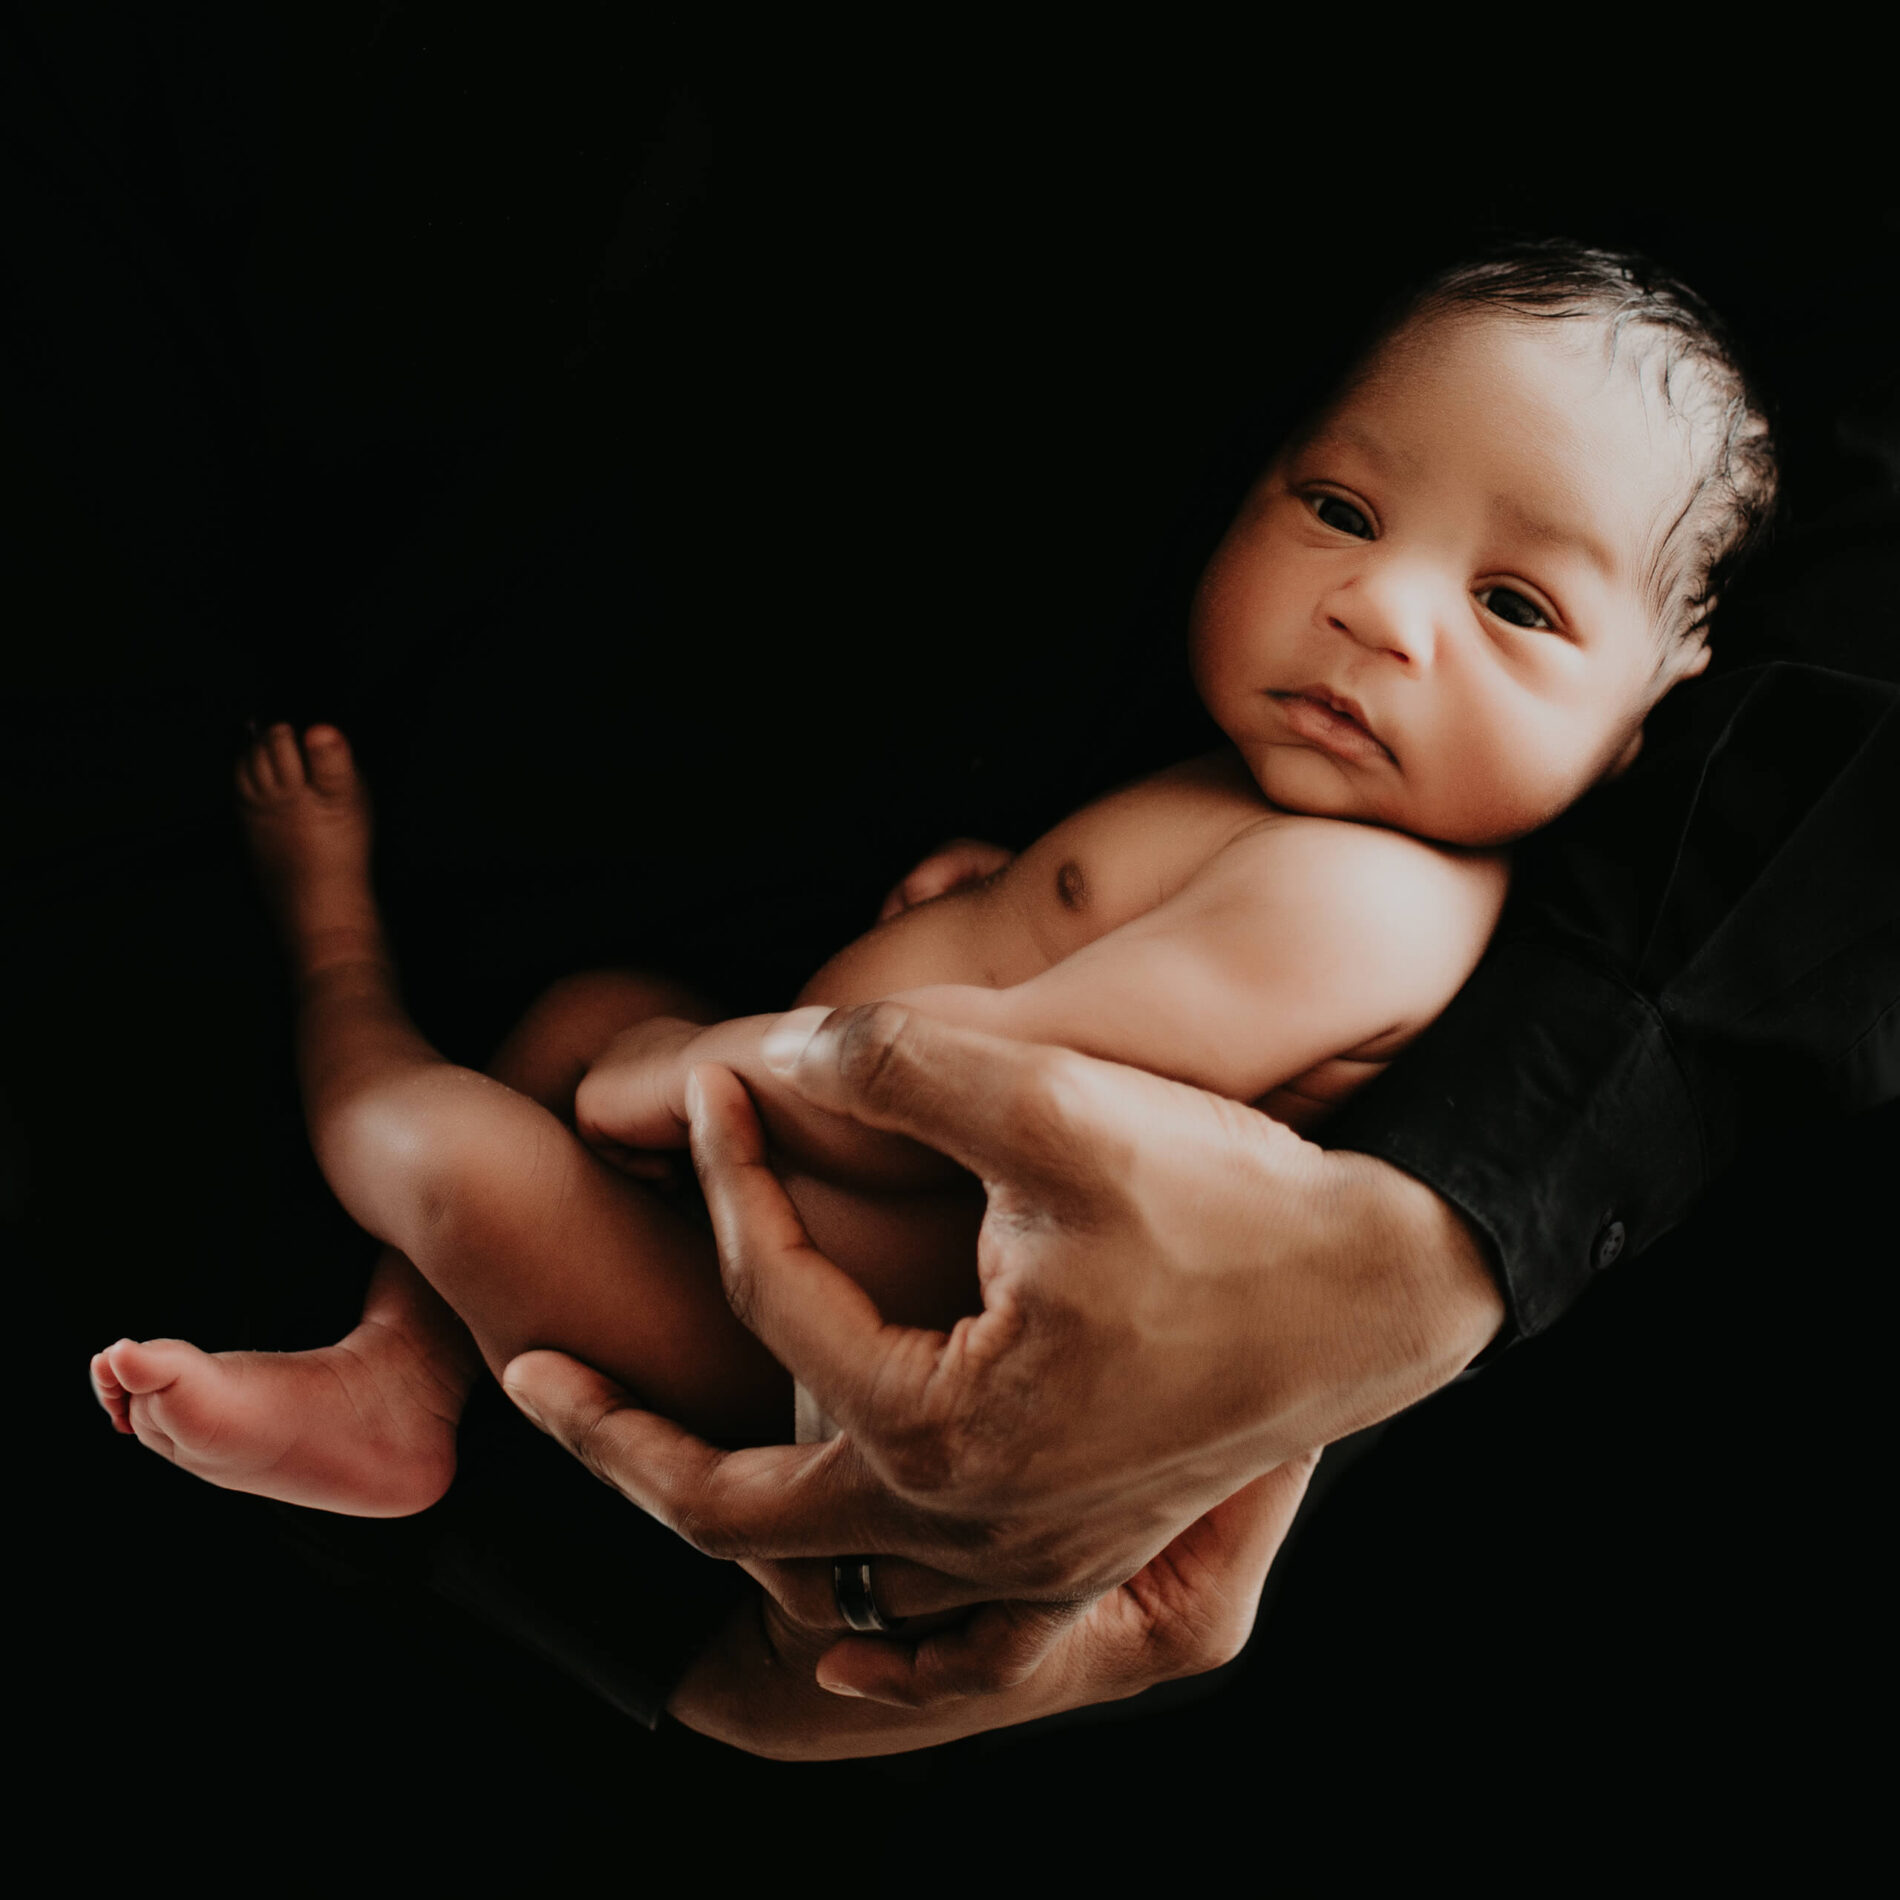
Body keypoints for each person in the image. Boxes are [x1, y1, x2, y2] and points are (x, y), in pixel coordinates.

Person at [91, 244, 1795, 1736]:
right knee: (573, 1007)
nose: (1379, 608)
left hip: (806, 1314)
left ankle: (334, 946)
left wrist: (696, 1062)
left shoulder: (1367, 892)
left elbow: (1002, 1075)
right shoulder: (1267, 799)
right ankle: (404, 1381)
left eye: (1514, 605)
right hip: (784, 1195)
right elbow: (1069, 954)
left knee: (451, 1138)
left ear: (1645, 723)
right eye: (1339, 509)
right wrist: (989, 898)